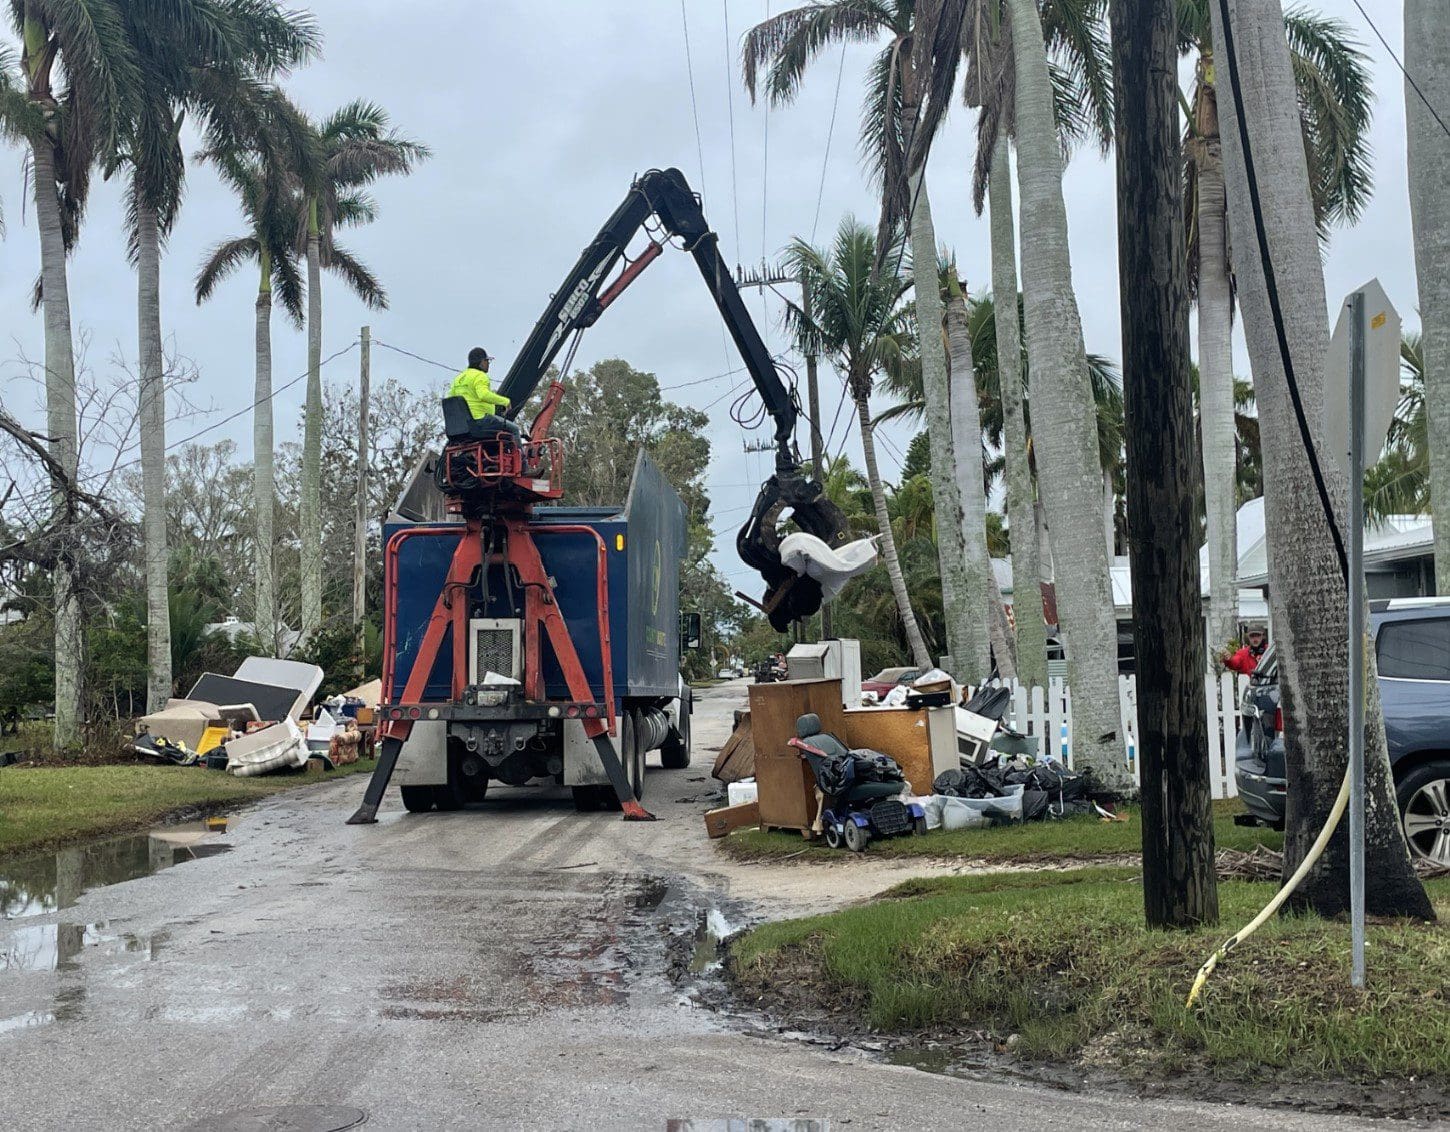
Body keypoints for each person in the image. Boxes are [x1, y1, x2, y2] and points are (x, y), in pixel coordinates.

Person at [448, 347, 520, 439]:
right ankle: (521, 453)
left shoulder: (458, 379)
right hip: (480, 422)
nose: (488, 364)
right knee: (514, 430)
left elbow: (450, 400)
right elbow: (483, 395)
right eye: (487, 361)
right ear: (481, 362)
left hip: (461, 426)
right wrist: (506, 402)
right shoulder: (480, 375)